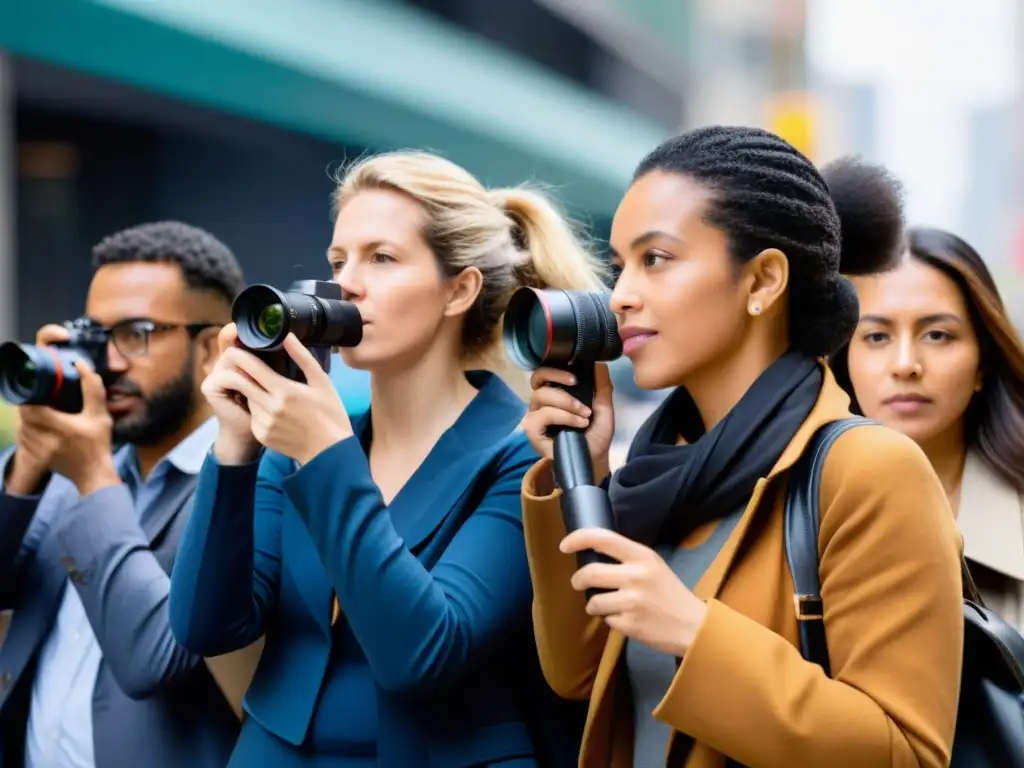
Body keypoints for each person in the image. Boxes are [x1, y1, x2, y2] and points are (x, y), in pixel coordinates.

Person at [519, 127, 964, 768]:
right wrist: (578, 475)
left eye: (657, 259)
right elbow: (576, 674)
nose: (620, 295)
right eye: (620, 267)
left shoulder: (867, 471)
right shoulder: (652, 474)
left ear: (762, 280)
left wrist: (695, 633)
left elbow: (908, 753)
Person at [168, 151, 607, 767]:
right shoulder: (295, 447)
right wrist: (236, 448)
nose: (347, 282)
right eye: (338, 260)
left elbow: (423, 654)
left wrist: (326, 455)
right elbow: (206, 627)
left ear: (459, 290)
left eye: (382, 257)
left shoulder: (521, 459)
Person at [0, 222, 262, 768]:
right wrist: (30, 457)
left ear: (213, 348)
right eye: (95, 334)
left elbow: (155, 659)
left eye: (137, 333)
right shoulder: (63, 463)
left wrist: (94, 474)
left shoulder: (249, 484)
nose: (109, 363)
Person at [835, 226, 1024, 631]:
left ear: (983, 363)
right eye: (877, 335)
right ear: (844, 360)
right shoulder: (795, 507)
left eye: (938, 335)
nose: (905, 364)